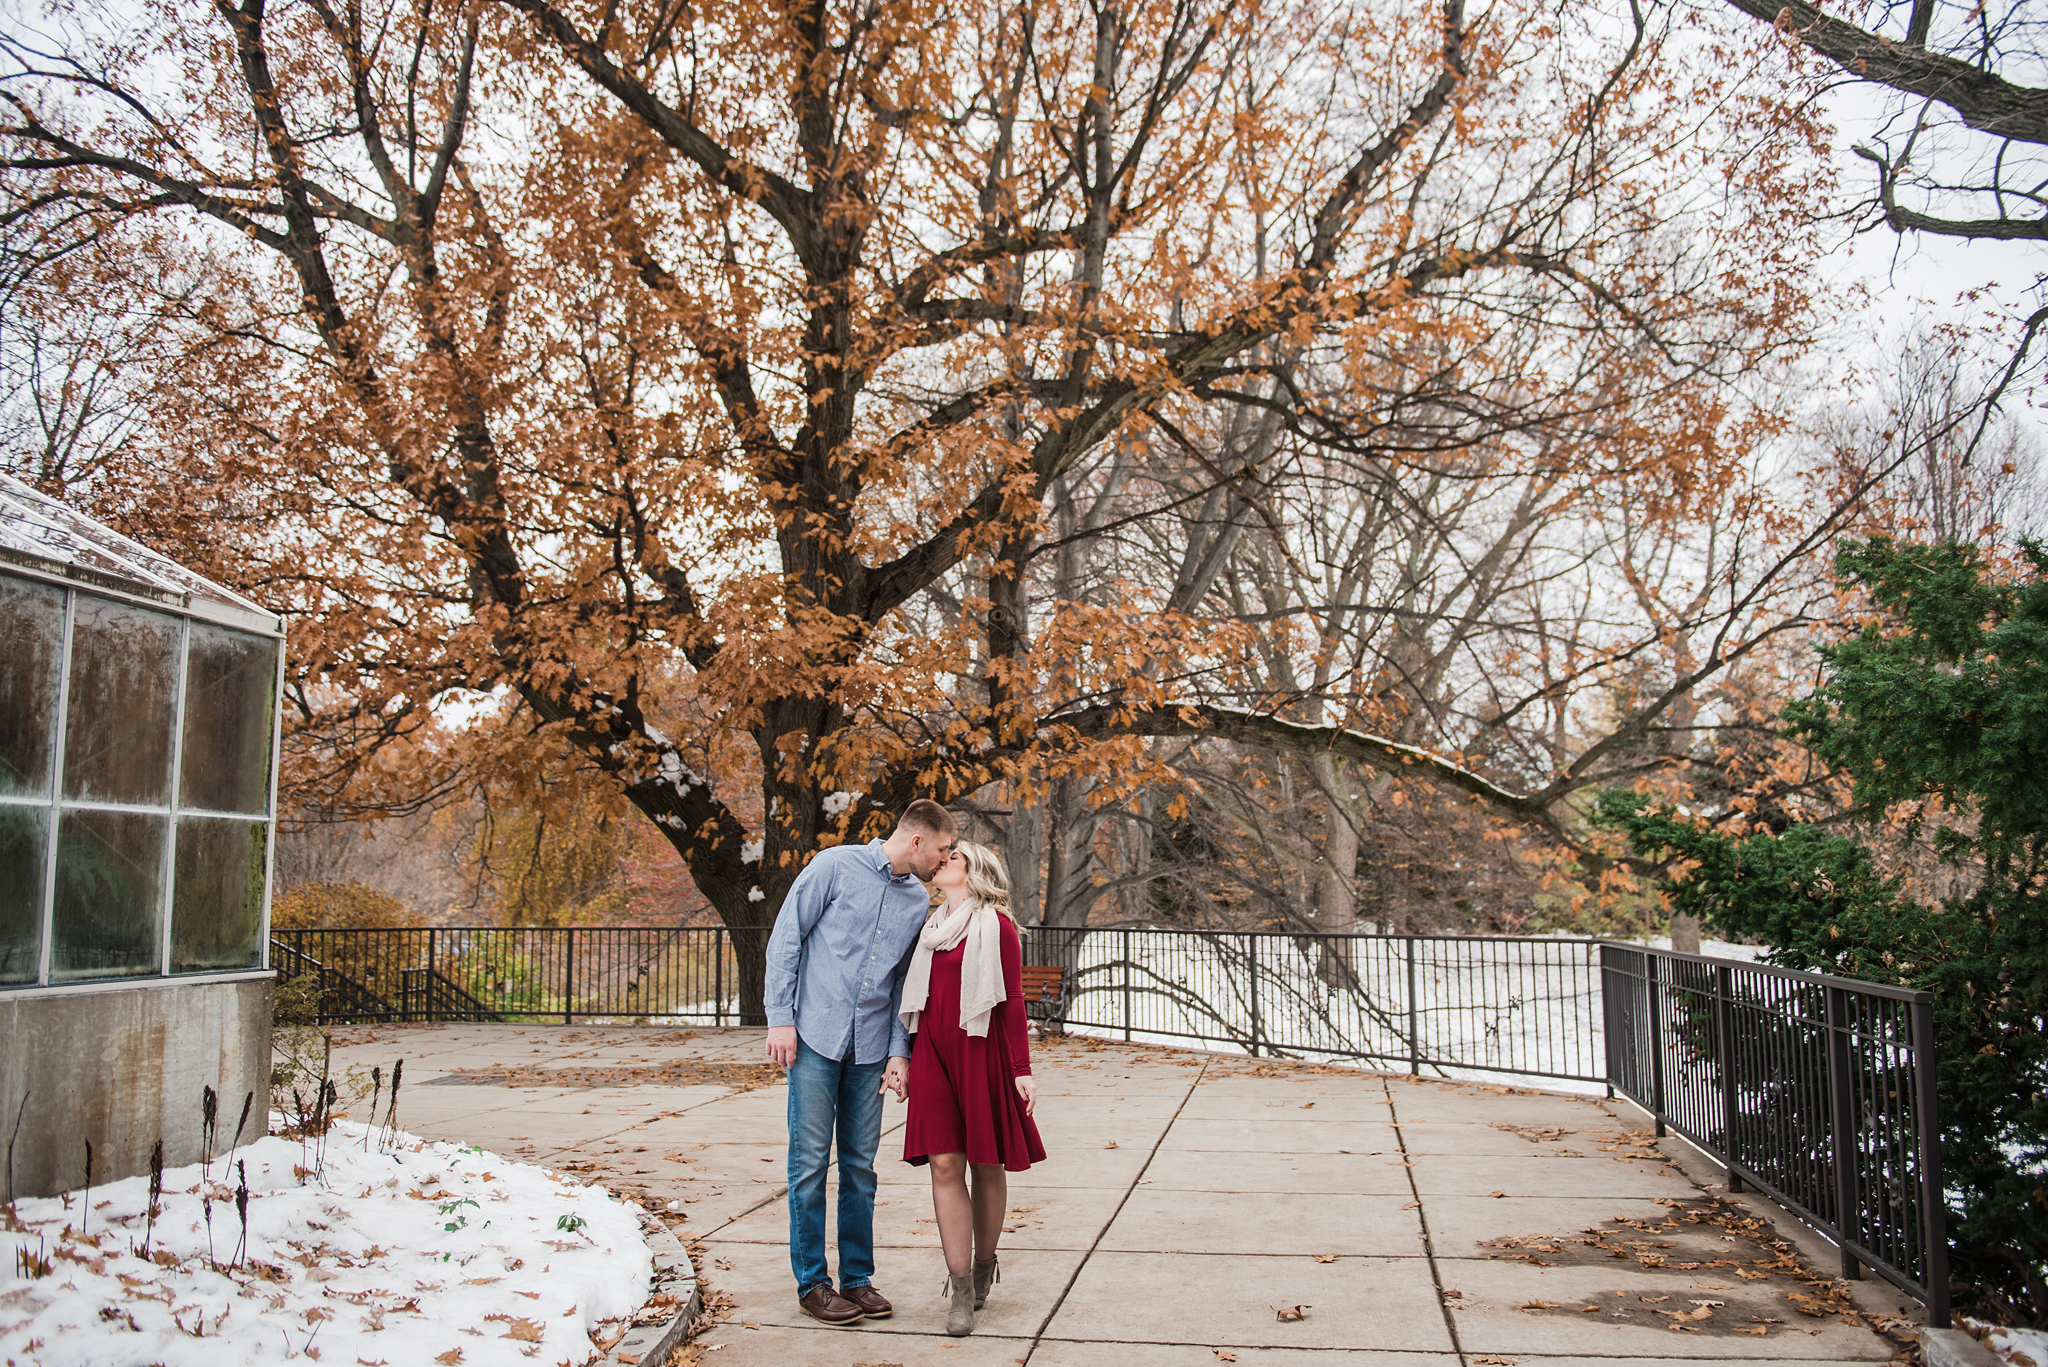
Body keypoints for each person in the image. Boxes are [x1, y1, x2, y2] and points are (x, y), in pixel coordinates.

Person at [763, 799, 958, 1327]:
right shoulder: (833, 866)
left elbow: (902, 984)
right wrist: (780, 1017)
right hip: (813, 1040)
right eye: (942, 849)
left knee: (859, 1169)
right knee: (807, 1168)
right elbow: (787, 939)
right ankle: (812, 1283)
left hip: (870, 1049)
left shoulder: (917, 901)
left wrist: (900, 1051)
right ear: (917, 840)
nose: (946, 859)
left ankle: (857, 1279)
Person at [898, 840, 1046, 1337]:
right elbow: (914, 997)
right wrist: (901, 1057)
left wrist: (1021, 1069)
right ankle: (959, 1286)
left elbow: (1012, 1003)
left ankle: (985, 1265)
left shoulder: (996, 926)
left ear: (975, 872)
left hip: (981, 1054)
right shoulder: (930, 928)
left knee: (986, 1163)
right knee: (944, 1163)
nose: (941, 862)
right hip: (932, 1057)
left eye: (952, 858)